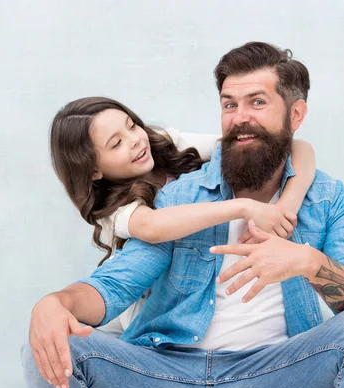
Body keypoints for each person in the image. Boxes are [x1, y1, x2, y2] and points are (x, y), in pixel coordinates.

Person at [22, 42, 344, 388]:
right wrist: (56, 303)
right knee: (54, 341)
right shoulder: (179, 197)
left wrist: (306, 261)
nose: (241, 118)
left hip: (275, 373)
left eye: (257, 102)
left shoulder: (327, 199)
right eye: (229, 104)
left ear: (296, 114)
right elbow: (117, 284)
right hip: (167, 373)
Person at [49, 97, 317, 336]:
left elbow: (298, 148)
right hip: (151, 306)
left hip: (200, 279)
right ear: (94, 171)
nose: (134, 140)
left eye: (131, 126)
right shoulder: (110, 208)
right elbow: (153, 226)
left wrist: (284, 209)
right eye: (116, 144)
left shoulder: (164, 143)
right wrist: (244, 207)